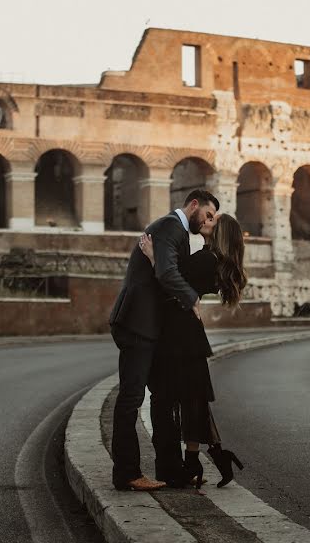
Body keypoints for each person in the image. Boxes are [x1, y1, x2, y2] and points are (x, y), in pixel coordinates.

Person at [108, 189, 218, 491]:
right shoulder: (170, 226)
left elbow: (166, 269)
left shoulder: (175, 231)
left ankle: (171, 471)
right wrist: (192, 299)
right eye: (208, 214)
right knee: (132, 399)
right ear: (194, 205)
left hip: (151, 327)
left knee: (164, 398)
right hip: (137, 324)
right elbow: (168, 272)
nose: (208, 221)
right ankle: (127, 473)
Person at [139, 213, 248, 489]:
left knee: (176, 397)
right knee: (192, 397)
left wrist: (153, 258)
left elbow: (170, 278)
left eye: (214, 219)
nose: (208, 220)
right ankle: (201, 458)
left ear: (220, 231)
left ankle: (196, 460)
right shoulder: (215, 261)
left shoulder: (206, 259)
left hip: (179, 333)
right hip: (189, 332)